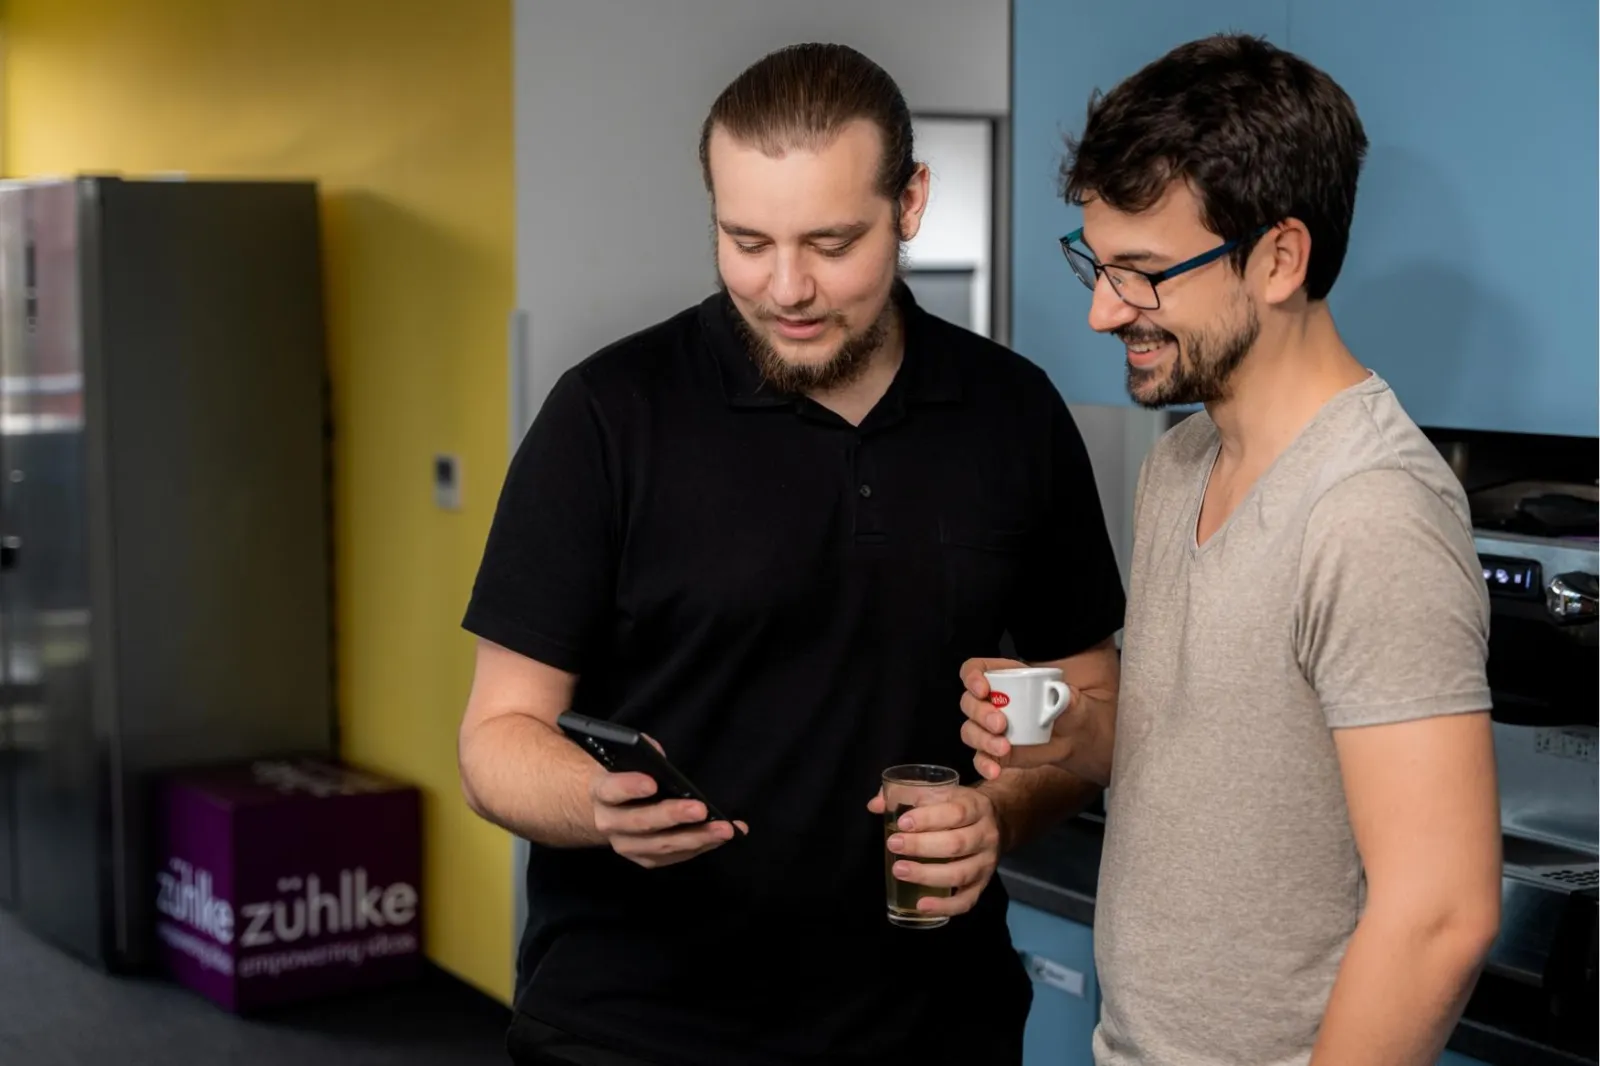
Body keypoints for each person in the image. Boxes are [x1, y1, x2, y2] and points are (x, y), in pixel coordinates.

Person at [457, 42, 1127, 1066]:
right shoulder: (606, 415)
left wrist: (998, 810)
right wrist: (595, 807)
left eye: (830, 241)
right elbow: (496, 736)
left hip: (931, 1026)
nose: (786, 288)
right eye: (745, 240)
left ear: (910, 203)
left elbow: (1094, 704)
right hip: (632, 1029)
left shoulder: (1012, 413)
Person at [958, 33, 1502, 1066]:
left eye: (1143, 273)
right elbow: (1215, 764)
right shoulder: (1180, 463)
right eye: (1096, 263)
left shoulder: (1370, 510)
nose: (1101, 308)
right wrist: (1069, 725)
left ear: (1279, 259)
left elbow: (1441, 913)